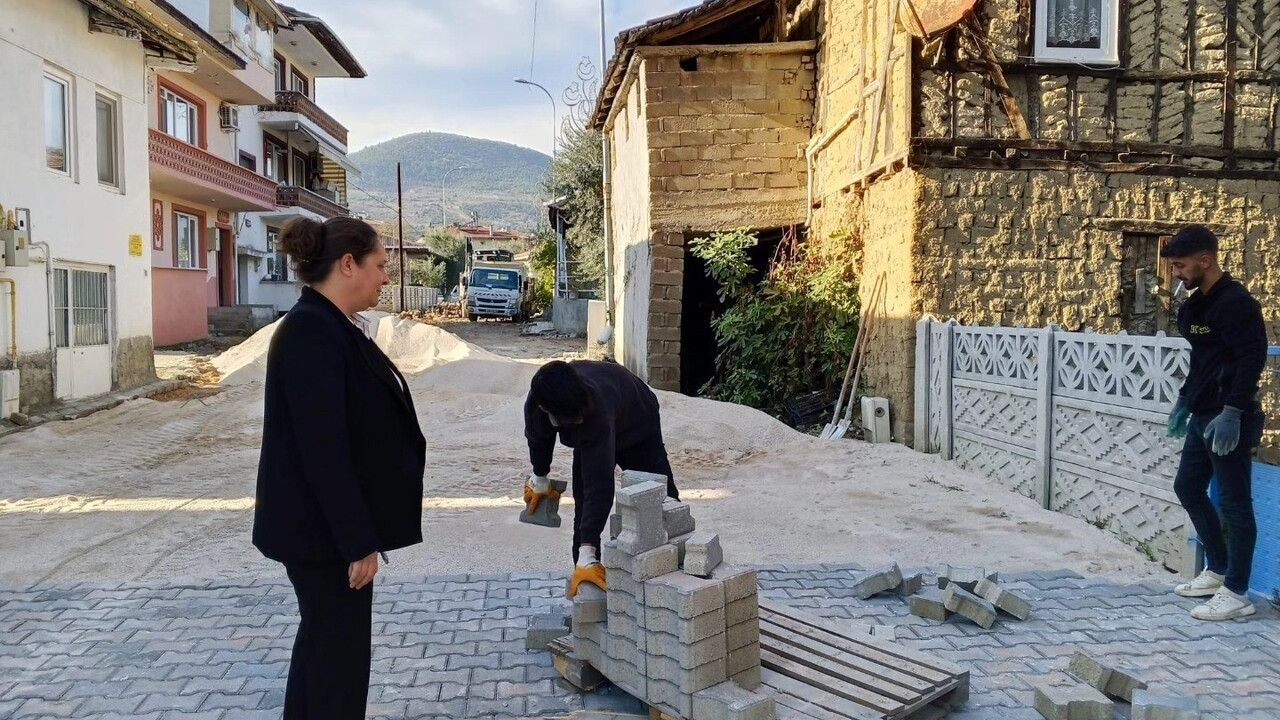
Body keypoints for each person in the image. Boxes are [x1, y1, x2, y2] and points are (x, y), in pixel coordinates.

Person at [252, 216, 426, 718]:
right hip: (322, 537)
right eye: (379, 265)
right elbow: (321, 448)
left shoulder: (330, 326)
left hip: (325, 533)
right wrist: (357, 540)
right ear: (348, 264)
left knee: (323, 651)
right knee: (339, 665)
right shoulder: (311, 332)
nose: (385, 277)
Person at [1163, 225, 1267, 621]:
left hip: (1229, 418)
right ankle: (1218, 569)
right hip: (1203, 412)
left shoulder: (1238, 303)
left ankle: (1237, 592)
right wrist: (1184, 401)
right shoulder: (1196, 304)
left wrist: (1234, 413)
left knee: (1237, 503)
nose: (1175, 273)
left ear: (1205, 261)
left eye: (1180, 265)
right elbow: (1202, 360)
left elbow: (1251, 358)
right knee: (1187, 486)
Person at [523, 360, 680, 597]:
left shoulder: (593, 406)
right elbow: (538, 439)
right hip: (594, 425)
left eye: (579, 417)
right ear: (547, 410)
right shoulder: (538, 404)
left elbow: (600, 486)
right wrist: (540, 477)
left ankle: (676, 575)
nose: (578, 421)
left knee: (661, 499)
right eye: (572, 420)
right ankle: (585, 590)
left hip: (636, 421)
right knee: (583, 508)